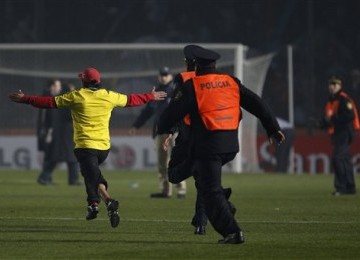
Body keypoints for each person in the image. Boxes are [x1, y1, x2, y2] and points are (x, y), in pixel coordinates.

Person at [9, 67, 167, 228]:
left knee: (92, 176)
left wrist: (25, 99)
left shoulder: (77, 96)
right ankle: (93, 205)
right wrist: (150, 96)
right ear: (98, 81)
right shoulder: (109, 96)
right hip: (104, 147)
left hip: (85, 146)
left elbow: (49, 102)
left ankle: (108, 201)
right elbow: (131, 100)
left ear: (83, 81)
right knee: (89, 174)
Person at [158, 46, 285, 244]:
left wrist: (164, 128)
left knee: (200, 186)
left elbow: (170, 115)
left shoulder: (193, 86)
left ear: (195, 65)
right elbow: (256, 102)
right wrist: (272, 127)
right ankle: (222, 202)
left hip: (207, 147)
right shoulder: (230, 81)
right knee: (206, 183)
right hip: (230, 146)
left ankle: (232, 232)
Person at [162, 45, 235, 235]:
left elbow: (177, 109)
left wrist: (169, 130)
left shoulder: (184, 80)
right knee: (204, 183)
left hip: (188, 139)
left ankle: (205, 218)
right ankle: (205, 217)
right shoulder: (215, 81)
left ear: (189, 63)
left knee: (174, 175)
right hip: (209, 137)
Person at [129, 67, 187, 199]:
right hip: (160, 132)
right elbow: (147, 112)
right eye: (162, 75)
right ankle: (165, 190)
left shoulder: (176, 91)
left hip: (174, 131)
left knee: (176, 161)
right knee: (162, 163)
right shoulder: (156, 93)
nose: (163, 77)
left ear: (171, 76)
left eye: (166, 75)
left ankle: (181, 189)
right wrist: (136, 126)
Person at [37, 82, 81, 186]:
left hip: (60, 134)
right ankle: (71, 180)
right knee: (71, 158)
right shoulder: (67, 102)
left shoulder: (59, 100)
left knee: (58, 157)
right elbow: (70, 116)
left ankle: (45, 177)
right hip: (65, 135)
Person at [322, 76, 359, 195]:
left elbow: (350, 116)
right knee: (344, 160)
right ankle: (350, 187)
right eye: (330, 84)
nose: (332, 86)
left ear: (340, 86)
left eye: (334, 84)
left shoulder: (343, 99)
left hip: (345, 133)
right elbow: (330, 119)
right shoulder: (331, 100)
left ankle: (341, 187)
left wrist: (333, 119)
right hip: (337, 133)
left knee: (337, 158)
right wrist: (321, 123)